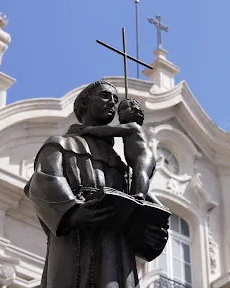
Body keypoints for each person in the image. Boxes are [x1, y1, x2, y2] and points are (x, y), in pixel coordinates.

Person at [24, 80, 168, 288]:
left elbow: (140, 206)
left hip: (117, 253)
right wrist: (73, 211)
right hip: (75, 244)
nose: (112, 102)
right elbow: (43, 183)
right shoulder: (62, 144)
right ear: (84, 104)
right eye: (105, 96)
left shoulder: (123, 166)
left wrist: (152, 232)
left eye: (116, 99)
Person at [78, 98, 155, 201]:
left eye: (123, 108)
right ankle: (153, 202)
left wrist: (90, 130)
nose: (120, 113)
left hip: (144, 157)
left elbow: (110, 130)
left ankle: (140, 194)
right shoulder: (130, 127)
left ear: (134, 110)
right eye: (119, 112)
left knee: (140, 174)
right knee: (136, 181)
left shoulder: (133, 126)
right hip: (137, 160)